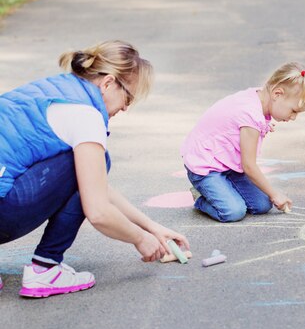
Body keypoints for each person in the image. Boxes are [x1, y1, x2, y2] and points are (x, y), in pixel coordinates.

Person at [0, 40, 190, 298]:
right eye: (128, 97)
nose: (125, 107)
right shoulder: (85, 115)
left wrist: (150, 227)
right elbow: (98, 210)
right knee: (97, 159)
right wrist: (140, 239)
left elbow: (94, 184)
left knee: (87, 165)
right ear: (108, 83)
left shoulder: (54, 88)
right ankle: (45, 269)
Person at [180, 62, 305, 223]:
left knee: (262, 205)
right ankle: (200, 196)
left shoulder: (259, 96)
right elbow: (249, 166)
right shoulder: (251, 116)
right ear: (277, 94)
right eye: (294, 110)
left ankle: (223, 189)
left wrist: (263, 126)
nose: (294, 117)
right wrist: (275, 193)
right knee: (233, 211)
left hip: (228, 164)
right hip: (205, 166)